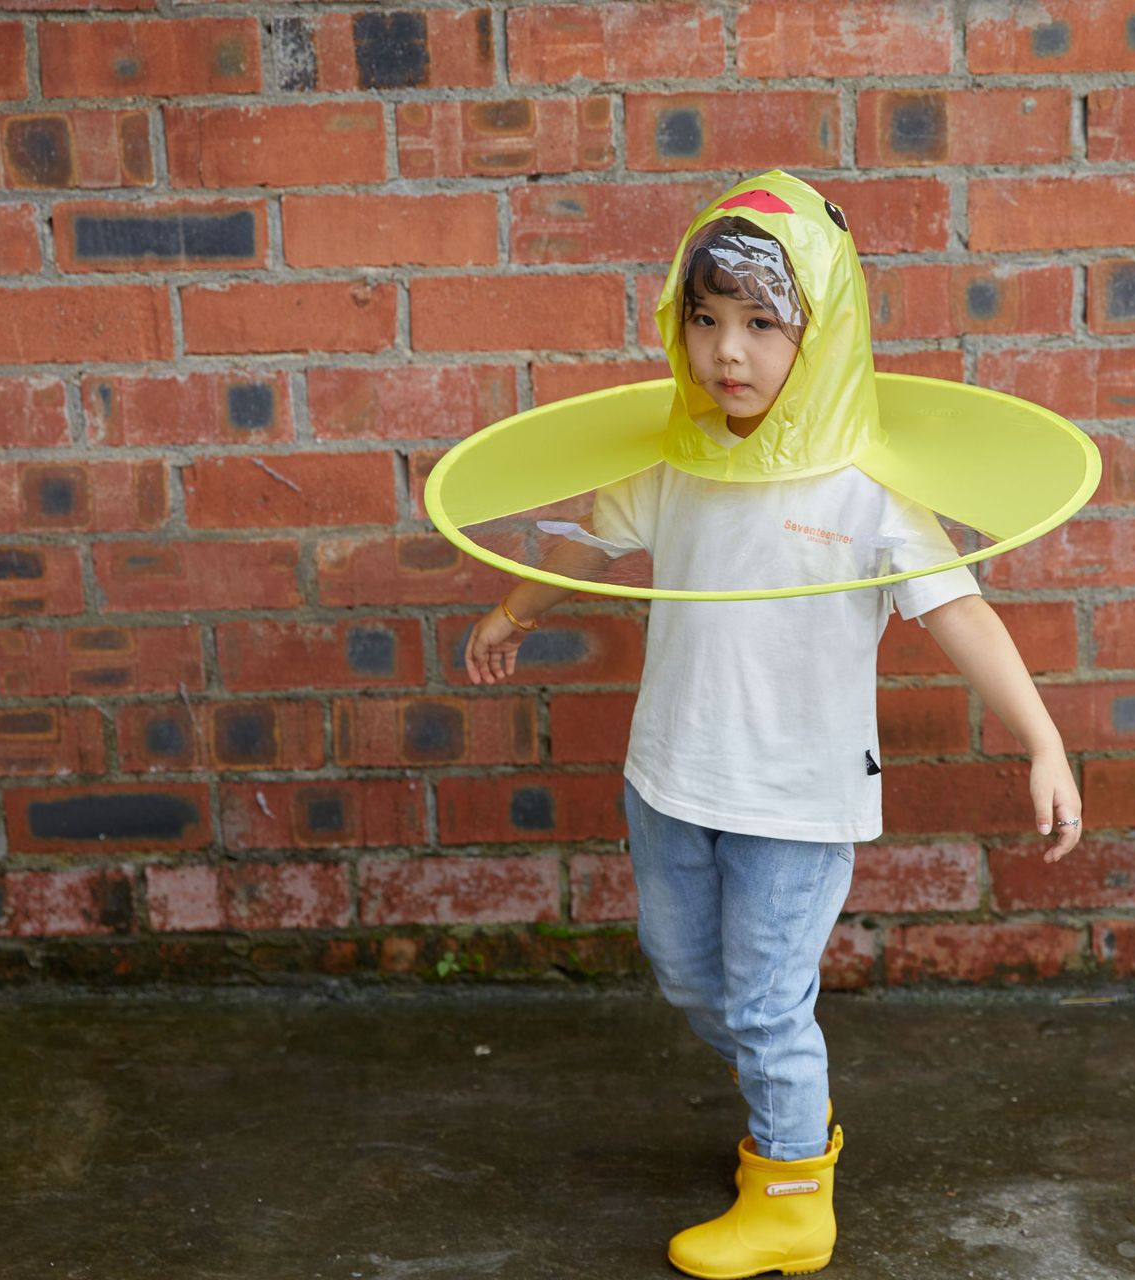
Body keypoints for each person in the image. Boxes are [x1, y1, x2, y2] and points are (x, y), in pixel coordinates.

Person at [462, 172, 1083, 1279]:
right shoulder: (681, 463)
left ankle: (793, 1185)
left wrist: (1042, 739)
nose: (725, 352)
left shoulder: (868, 492)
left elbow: (964, 611)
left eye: (759, 323)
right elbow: (591, 543)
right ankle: (786, 1105)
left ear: (824, 334)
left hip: (795, 800)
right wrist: (515, 607)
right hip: (670, 779)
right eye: (704, 320)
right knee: (689, 975)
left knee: (762, 994)